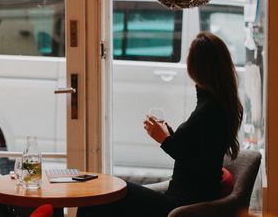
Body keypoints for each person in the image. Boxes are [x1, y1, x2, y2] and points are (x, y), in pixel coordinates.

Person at [77, 31, 243, 217]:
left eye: (190, 55)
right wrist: (169, 133)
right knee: (96, 198)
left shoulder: (211, 110)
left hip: (180, 204)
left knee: (98, 195)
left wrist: (165, 140)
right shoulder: (212, 103)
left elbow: (202, 168)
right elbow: (197, 149)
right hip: (178, 198)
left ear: (197, 66)